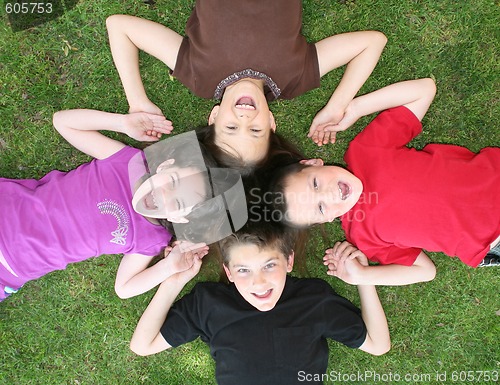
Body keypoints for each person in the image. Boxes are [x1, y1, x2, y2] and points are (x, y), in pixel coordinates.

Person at [267, 78, 500, 285]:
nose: (328, 194)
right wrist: (362, 276)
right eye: (320, 207)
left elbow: (424, 90)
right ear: (325, 220)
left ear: (313, 163)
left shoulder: (365, 151)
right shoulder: (363, 237)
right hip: (490, 240)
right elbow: (425, 271)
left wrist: (354, 109)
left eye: (315, 184)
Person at [106, 0, 387, 164]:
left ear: (214, 116)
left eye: (231, 127)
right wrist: (336, 107)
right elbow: (372, 43)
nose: (244, 116)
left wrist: (137, 101)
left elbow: (119, 26)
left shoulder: (198, 77)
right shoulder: (292, 80)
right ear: (272, 123)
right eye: (255, 130)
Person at [129, 219, 390, 385]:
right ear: (228, 273)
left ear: (288, 261)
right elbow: (143, 345)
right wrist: (174, 281)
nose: (259, 282)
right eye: (243, 270)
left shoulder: (313, 299)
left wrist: (363, 278)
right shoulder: (209, 303)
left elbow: (378, 345)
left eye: (269, 265)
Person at [0, 109, 214, 301]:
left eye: (178, 202)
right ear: (166, 165)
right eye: (173, 181)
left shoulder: (153, 238)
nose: (165, 195)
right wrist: (122, 123)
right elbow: (62, 122)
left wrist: (168, 267)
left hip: (11, 269)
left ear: (180, 219)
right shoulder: (130, 162)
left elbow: (124, 288)